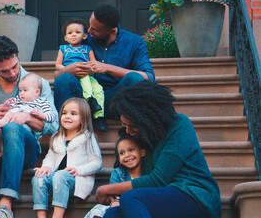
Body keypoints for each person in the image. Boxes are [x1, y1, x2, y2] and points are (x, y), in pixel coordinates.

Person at [95, 81, 221, 218]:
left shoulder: (179, 125)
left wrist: (105, 189)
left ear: (147, 119)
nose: (128, 130)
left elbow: (157, 180)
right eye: (124, 125)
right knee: (113, 213)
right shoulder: (143, 139)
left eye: (132, 125)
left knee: (131, 198)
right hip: (163, 199)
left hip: (196, 196)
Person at [0, 36, 59, 218]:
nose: (12, 73)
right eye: (4, 71)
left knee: (13, 127)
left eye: (15, 66)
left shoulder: (37, 83)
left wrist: (27, 117)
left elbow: (53, 125)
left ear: (17, 57)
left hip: (24, 151)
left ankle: (6, 203)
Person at [53, 4, 155, 126]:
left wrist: (107, 68)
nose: (89, 31)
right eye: (90, 25)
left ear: (112, 30)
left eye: (95, 29)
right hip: (85, 98)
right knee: (63, 78)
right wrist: (67, 70)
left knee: (135, 78)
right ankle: (64, 135)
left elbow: (148, 77)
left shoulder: (134, 41)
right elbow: (56, 75)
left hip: (116, 99)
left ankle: (133, 132)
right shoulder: (84, 38)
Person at [32, 97, 102, 218]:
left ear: (83, 118)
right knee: (39, 178)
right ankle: (41, 215)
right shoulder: (57, 137)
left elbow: (97, 162)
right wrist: (46, 167)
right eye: (64, 113)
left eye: (73, 114)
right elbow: (50, 157)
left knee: (60, 175)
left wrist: (78, 170)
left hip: (77, 180)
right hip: (57, 179)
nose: (67, 116)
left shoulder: (87, 137)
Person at [55, 18, 106, 132]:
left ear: (84, 36)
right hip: (72, 76)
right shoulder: (63, 49)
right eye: (70, 33)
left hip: (87, 74)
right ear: (65, 37)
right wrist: (66, 69)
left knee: (98, 89)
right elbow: (58, 65)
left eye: (77, 32)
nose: (73, 35)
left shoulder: (88, 49)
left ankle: (99, 116)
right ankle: (89, 100)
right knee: (84, 80)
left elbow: (93, 64)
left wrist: (89, 69)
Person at [84, 128, 146, 218]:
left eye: (131, 150)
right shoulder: (118, 173)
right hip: (118, 205)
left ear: (142, 152)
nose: (127, 155)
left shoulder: (148, 173)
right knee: (98, 211)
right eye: (122, 153)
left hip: (138, 206)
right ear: (119, 159)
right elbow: (114, 194)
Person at [0, 72, 56, 158]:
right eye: (20, 90)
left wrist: (40, 114)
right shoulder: (18, 99)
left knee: (12, 128)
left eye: (25, 90)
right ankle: (2, 150)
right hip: (10, 118)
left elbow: (51, 117)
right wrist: (7, 104)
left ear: (37, 92)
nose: (21, 93)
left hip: (24, 126)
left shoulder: (42, 102)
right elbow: (10, 107)